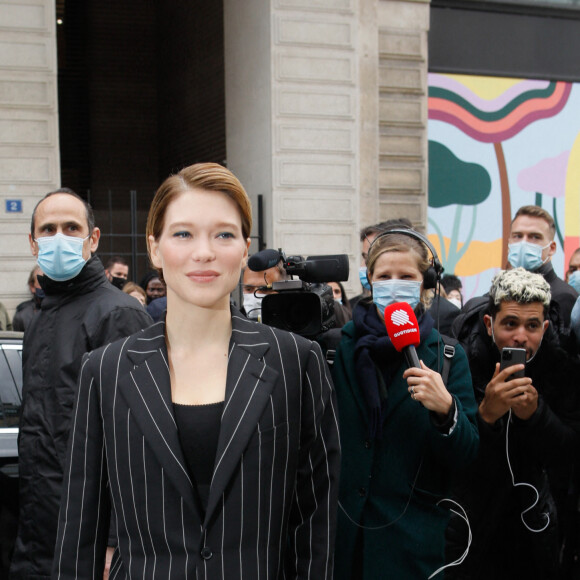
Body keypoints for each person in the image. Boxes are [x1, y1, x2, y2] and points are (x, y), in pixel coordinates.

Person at [52, 162, 340, 579]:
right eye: (183, 233)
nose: (203, 252)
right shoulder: (106, 370)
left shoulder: (296, 362)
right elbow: (80, 528)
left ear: (244, 249)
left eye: (224, 234)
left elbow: (316, 521)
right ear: (154, 248)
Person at [10, 188, 153, 579]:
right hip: (41, 531)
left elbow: (136, 439)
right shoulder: (41, 315)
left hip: (89, 539)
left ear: (93, 239)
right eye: (49, 228)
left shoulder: (118, 314)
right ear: (33, 242)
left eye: (72, 227)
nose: (59, 237)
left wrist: (113, 540)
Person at [332, 228, 479, 579]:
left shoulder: (446, 355)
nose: (394, 285)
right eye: (384, 276)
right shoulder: (335, 349)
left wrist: (446, 410)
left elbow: (469, 456)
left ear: (425, 283)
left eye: (406, 277)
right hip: (342, 544)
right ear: (369, 279)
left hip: (412, 547)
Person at [446, 268, 580, 579]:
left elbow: (569, 457)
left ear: (545, 327)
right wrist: (486, 416)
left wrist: (536, 415)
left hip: (535, 531)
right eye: (510, 324)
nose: (521, 336)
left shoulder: (561, 370)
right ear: (489, 324)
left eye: (532, 325)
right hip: (471, 530)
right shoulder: (459, 363)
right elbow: (449, 456)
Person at [508, 205, 578, 335]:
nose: (524, 243)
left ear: (551, 248)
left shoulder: (564, 297)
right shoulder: (498, 293)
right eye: (517, 236)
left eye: (535, 237)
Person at [12, 265, 43, 332]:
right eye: (42, 283)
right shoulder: (23, 316)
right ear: (32, 286)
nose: (46, 287)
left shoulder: (63, 310)